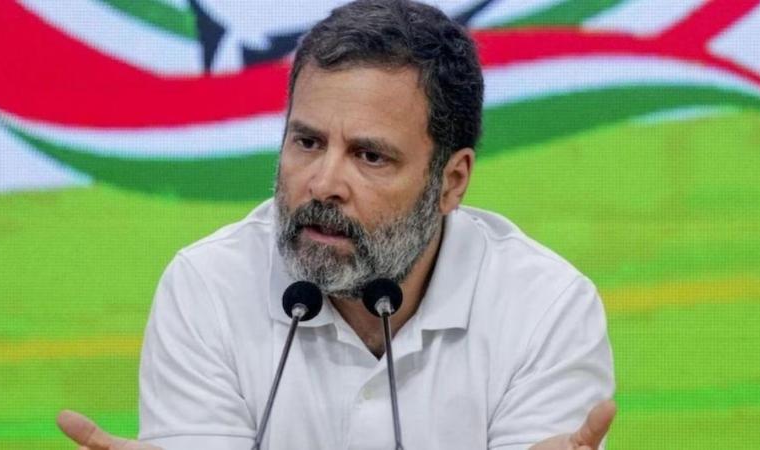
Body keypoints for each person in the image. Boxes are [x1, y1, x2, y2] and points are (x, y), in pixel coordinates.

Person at [58, 0, 615, 448]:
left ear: (451, 181)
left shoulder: (545, 309)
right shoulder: (208, 287)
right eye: (307, 142)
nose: (323, 184)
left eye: (370, 156)